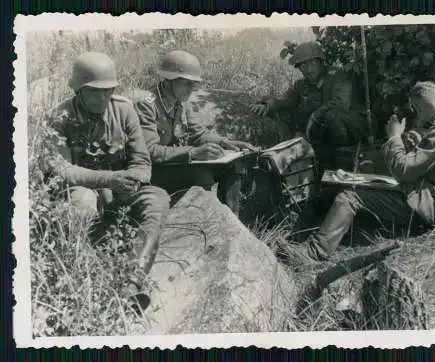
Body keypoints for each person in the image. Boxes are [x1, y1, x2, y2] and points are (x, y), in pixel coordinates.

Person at [281, 81, 435, 264]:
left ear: (420, 107)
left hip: (426, 206)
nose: (417, 116)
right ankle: (298, 241)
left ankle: (314, 254)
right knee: (347, 190)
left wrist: (394, 137)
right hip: (428, 198)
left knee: (349, 196)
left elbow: (404, 170)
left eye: (416, 110)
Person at [44, 52, 170, 311]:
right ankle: (94, 280)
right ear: (79, 91)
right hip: (84, 189)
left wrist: (132, 181)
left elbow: (142, 161)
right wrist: (108, 180)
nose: (103, 98)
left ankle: (133, 280)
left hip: (122, 187)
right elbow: (61, 169)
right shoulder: (60, 118)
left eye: (108, 90)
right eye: (94, 92)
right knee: (81, 203)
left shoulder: (124, 110)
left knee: (157, 198)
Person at [131, 50, 257, 216]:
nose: (192, 89)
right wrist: (193, 153)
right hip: (153, 170)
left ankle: (231, 222)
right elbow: (149, 151)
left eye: (194, 84)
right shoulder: (146, 104)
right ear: (169, 81)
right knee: (201, 176)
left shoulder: (180, 101)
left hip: (175, 163)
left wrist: (225, 142)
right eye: (187, 83)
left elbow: (198, 133)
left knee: (234, 166)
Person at [249, 41, 369, 170]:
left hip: (352, 128)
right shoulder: (301, 86)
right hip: (325, 136)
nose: (308, 69)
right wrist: (266, 105)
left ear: (321, 62)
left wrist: (315, 116)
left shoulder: (338, 76)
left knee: (331, 116)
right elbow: (284, 100)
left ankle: (340, 163)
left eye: (312, 63)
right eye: (303, 65)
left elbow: (340, 103)